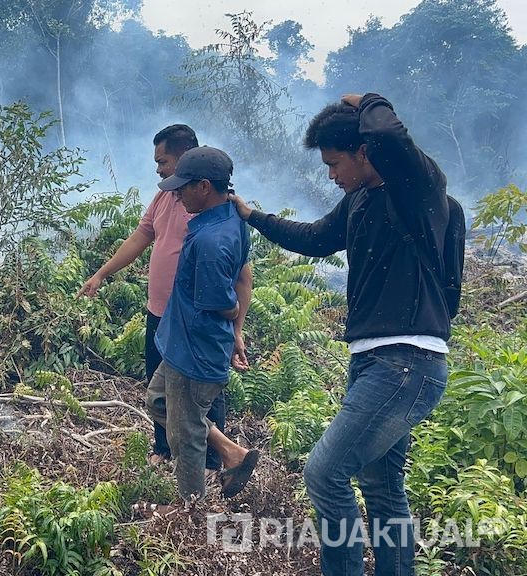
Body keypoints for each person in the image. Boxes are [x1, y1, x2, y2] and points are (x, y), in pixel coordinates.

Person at [229, 93, 453, 576]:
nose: (331, 175)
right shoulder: (358, 200)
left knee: (325, 472)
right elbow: (313, 239)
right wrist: (253, 217)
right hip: (377, 360)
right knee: (381, 483)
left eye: (335, 163)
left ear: (364, 152)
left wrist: (370, 99)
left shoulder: (415, 189)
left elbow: (391, 133)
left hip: (406, 359)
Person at [78, 125, 253, 474]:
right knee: (158, 389)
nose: (158, 169)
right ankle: (166, 446)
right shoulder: (165, 197)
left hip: (197, 321)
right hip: (160, 313)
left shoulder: (211, 210)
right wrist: (101, 273)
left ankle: (211, 462)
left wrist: (237, 327)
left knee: (201, 392)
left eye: (164, 161)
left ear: (187, 159)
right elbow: (140, 237)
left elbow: (242, 276)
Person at [142, 145, 259, 513]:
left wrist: (235, 317)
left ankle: (189, 511)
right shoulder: (229, 218)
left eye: (184, 187)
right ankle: (231, 452)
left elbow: (222, 302)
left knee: (185, 435)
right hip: (180, 343)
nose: (176, 193)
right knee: (158, 402)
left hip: (195, 353)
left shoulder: (211, 241)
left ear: (204, 186)